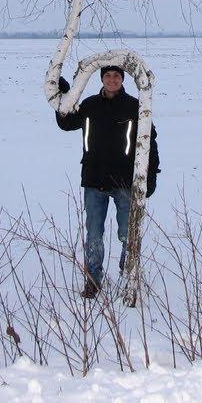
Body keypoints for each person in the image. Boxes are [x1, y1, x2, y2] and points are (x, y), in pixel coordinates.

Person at [56, 65, 160, 298]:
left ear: (123, 79)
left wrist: (150, 176)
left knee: (127, 233)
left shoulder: (135, 106)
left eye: (116, 76)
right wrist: (63, 97)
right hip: (94, 180)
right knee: (94, 234)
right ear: (101, 79)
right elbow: (67, 123)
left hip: (125, 182)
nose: (112, 80)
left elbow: (149, 141)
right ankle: (93, 280)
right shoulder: (90, 105)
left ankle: (128, 276)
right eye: (107, 76)